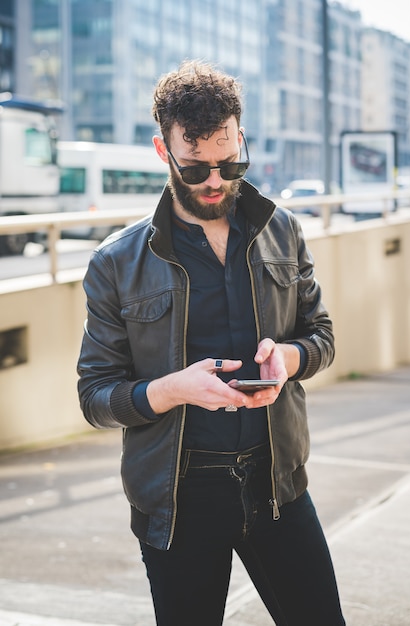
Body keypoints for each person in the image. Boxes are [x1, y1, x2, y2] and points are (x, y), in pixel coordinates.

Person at [77, 60, 345, 626]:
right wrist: (173, 390)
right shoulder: (116, 263)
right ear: (163, 151)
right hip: (179, 500)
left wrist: (287, 361)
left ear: (241, 137)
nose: (217, 180)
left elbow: (320, 336)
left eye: (231, 162)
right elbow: (96, 396)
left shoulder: (284, 230)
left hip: (279, 485)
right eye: (196, 169)